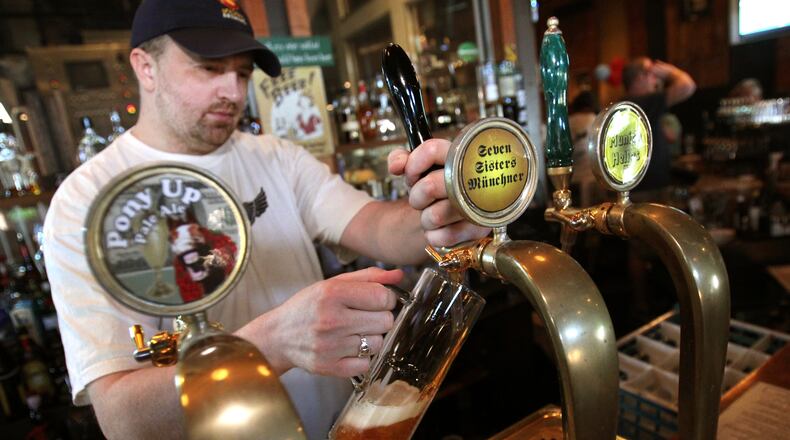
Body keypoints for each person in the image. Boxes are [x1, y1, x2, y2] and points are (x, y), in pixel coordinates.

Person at [42, 1, 489, 439]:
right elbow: (125, 421)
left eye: (241, 72)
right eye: (209, 68)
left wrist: (447, 205)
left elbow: (378, 227)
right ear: (145, 67)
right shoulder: (87, 201)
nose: (234, 92)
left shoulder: (276, 157)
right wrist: (271, 345)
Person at [622, 57, 696, 201]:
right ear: (640, 77)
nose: (656, 81)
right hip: (649, 191)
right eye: (652, 74)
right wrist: (670, 72)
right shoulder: (643, 102)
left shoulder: (627, 104)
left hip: (637, 188)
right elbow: (687, 86)